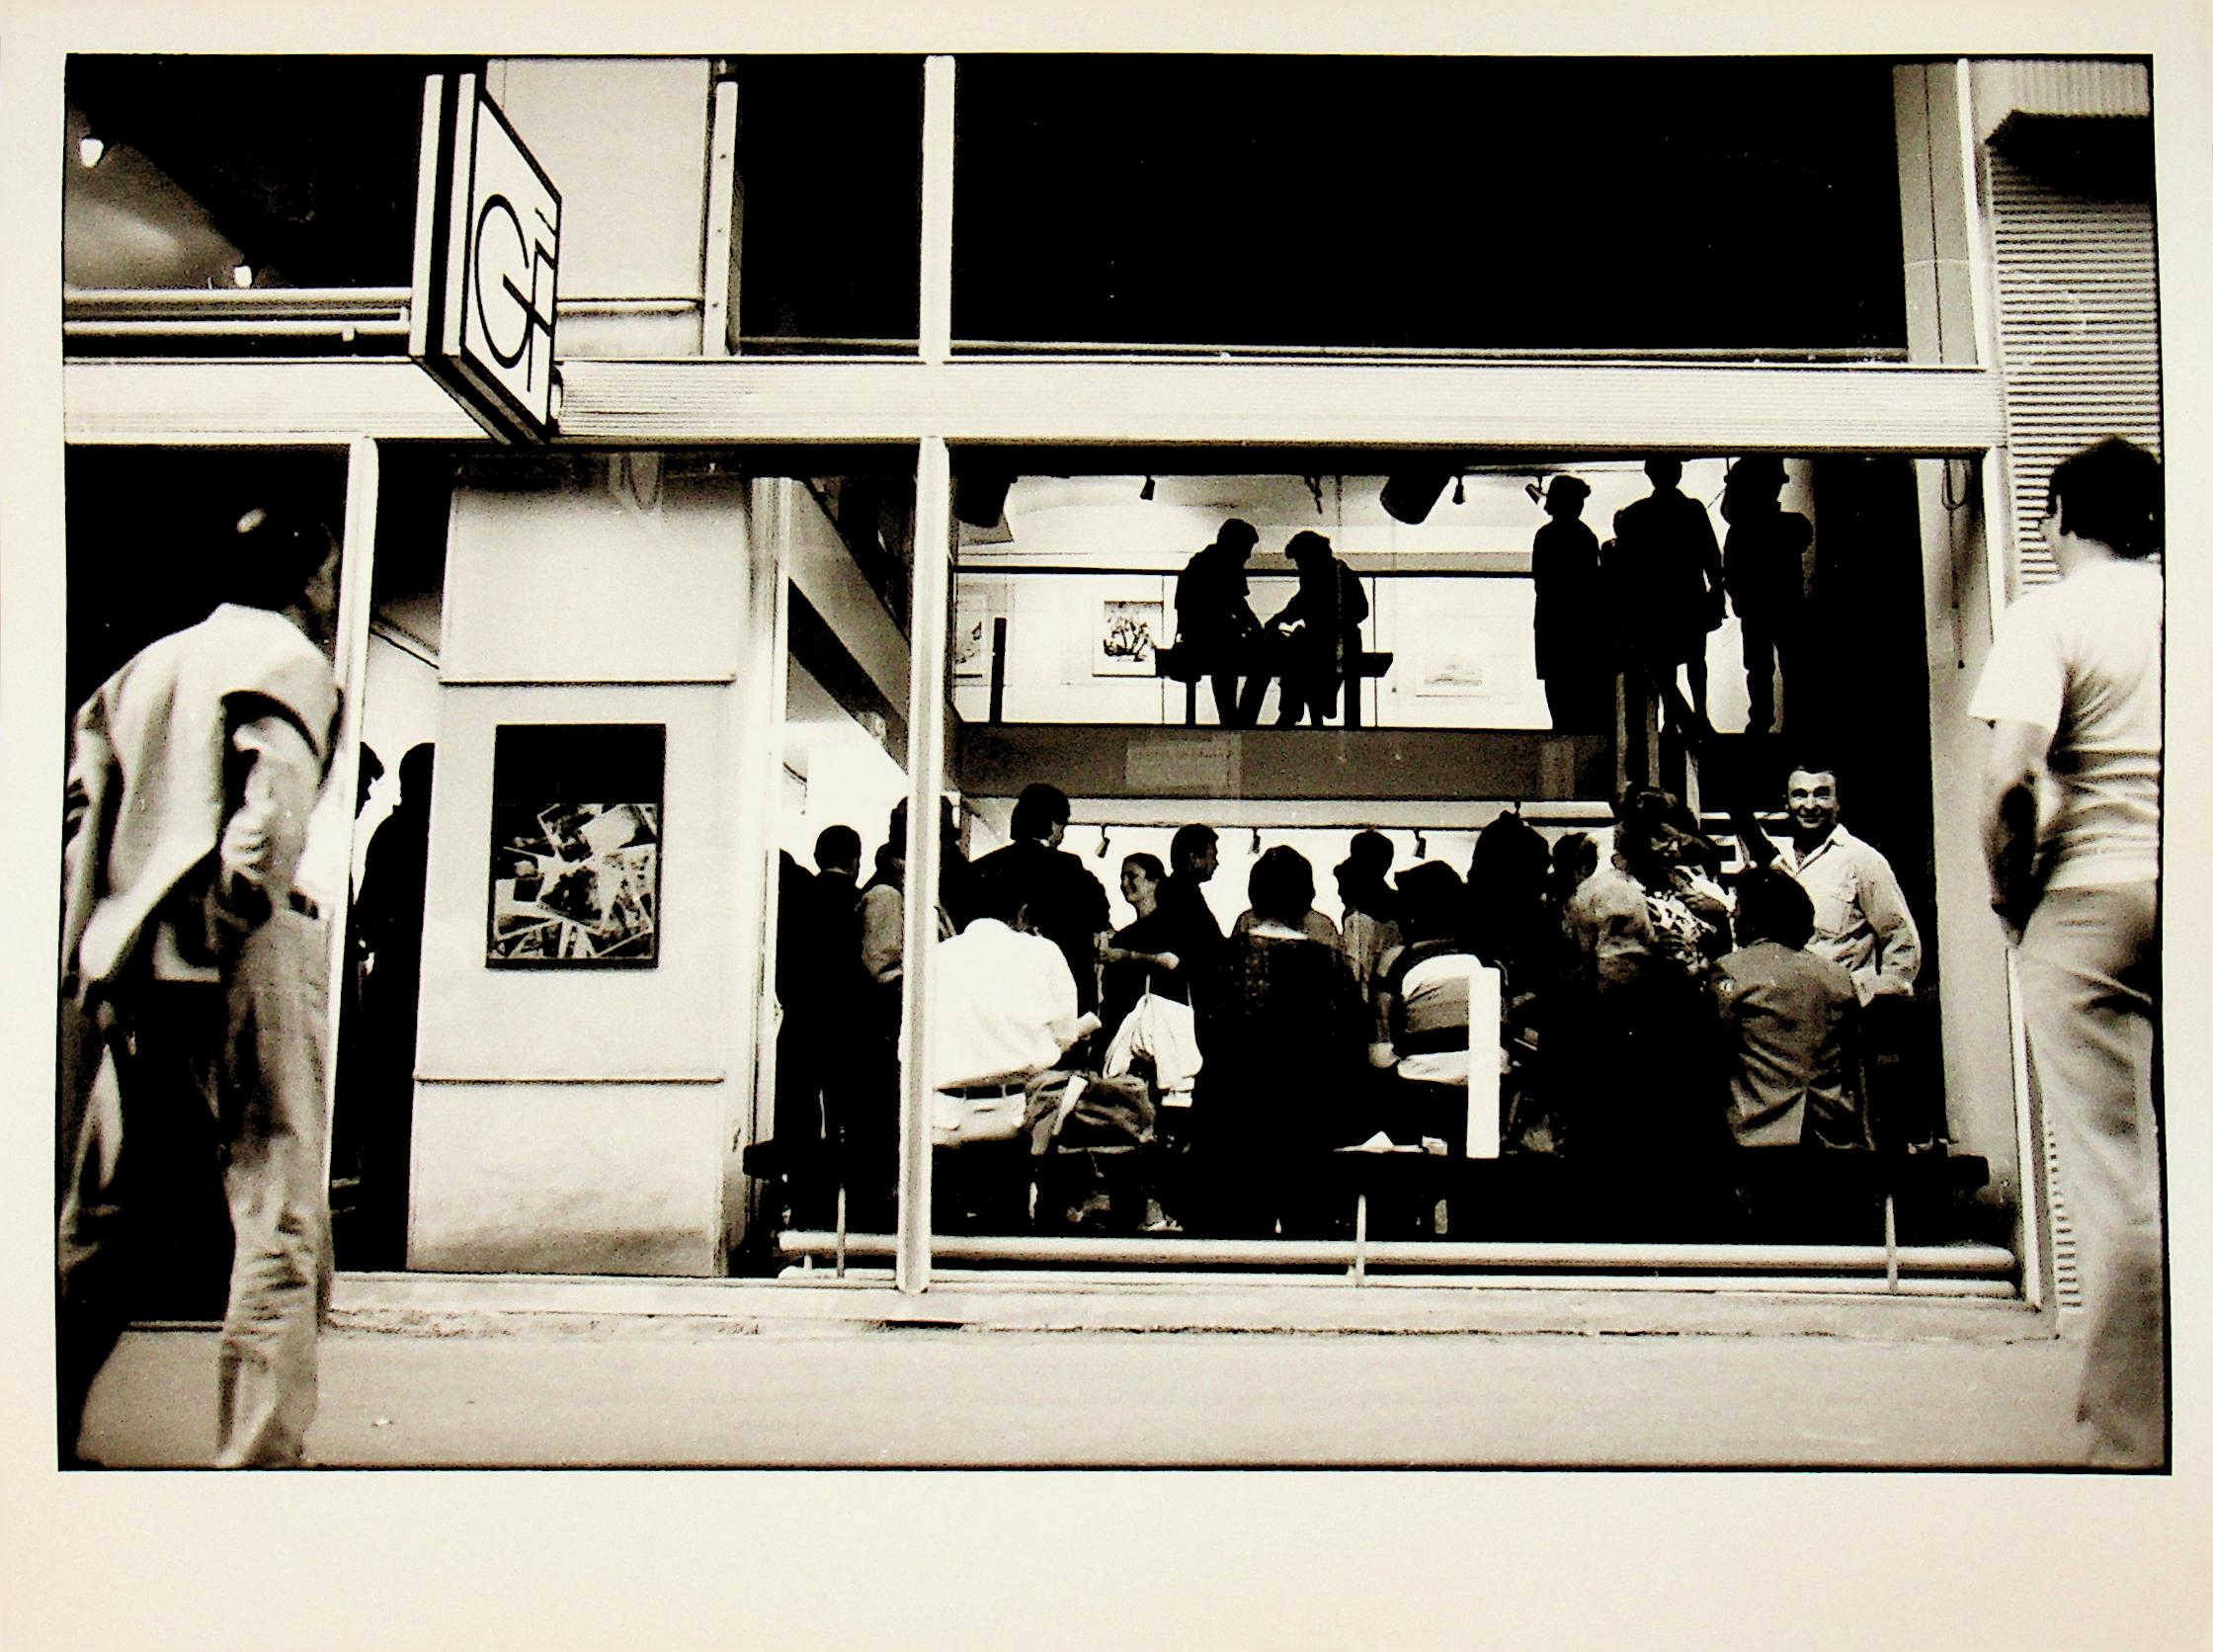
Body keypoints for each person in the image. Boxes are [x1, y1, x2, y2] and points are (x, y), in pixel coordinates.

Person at [57, 502, 345, 1467]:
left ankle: (44, 1425)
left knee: (105, 1214)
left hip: (130, 960)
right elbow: (270, 817)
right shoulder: (285, 659)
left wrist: (92, 954)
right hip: (238, 954)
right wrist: (226, 919)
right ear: (311, 579)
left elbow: (82, 826)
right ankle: (256, 1453)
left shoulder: (143, 669)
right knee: (276, 1203)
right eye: (329, 574)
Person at [1970, 436, 2164, 1466]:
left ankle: (2134, 1444)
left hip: (2089, 900)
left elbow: (2011, 781)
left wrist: (2010, 898)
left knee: (2115, 1175)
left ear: (2056, 518)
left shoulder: (2049, 615)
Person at [1560, 785, 1734, 1236]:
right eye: (1660, 838)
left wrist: (1717, 927)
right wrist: (1665, 965)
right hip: (1630, 1047)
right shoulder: (1604, 894)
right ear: (1633, 837)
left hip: (1693, 1044)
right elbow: (1601, 979)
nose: (1672, 848)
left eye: (1676, 838)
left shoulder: (1692, 886)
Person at [1192, 846, 1367, 1236]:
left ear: (1253, 895)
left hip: (1229, 1119)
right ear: (1308, 899)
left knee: (1234, 1241)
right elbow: (1350, 1051)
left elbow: (1206, 1037)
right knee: (1306, 1242)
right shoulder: (1332, 966)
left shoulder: (1216, 959)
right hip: (1306, 1121)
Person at [929, 867, 1100, 1233]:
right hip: (1010, 1115)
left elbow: (908, 1045)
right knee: (1005, 1236)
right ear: (1021, 912)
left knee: (941, 1239)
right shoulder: (1041, 953)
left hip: (942, 1118)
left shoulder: (934, 958)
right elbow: (1064, 1035)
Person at [350, 740, 435, 1269]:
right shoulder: (414, 834)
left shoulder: (393, 833)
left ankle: (380, 1221)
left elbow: (369, 915)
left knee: (387, 1111)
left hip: (396, 985)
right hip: (407, 986)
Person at [968, 784, 1111, 1016]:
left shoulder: (983, 869)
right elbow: (1099, 913)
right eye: (1063, 825)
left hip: (998, 992)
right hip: (1057, 994)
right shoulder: (1070, 869)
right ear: (1054, 824)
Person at [1608, 457, 1725, 731]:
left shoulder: (1636, 513)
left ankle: (1672, 720)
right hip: (1689, 595)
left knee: (1664, 662)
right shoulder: (1692, 509)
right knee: (1695, 659)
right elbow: (1710, 552)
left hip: (1655, 601)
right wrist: (1716, 586)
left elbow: (1627, 566)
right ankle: (1699, 715)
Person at [1720, 455, 1813, 737]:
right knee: (1789, 665)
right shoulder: (1791, 526)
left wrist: (1739, 598)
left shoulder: (1741, 532)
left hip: (1756, 608)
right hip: (1785, 605)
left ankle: (1762, 719)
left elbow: (1731, 570)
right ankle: (1793, 721)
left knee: (1760, 667)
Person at [1529, 474, 1613, 732]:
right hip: (1580, 627)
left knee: (1558, 692)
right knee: (1579, 691)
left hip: (1552, 623)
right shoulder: (1585, 536)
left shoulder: (1545, 536)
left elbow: (1541, 581)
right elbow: (1591, 584)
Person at [1173, 517, 1270, 727]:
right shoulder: (1227, 564)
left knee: (1227, 676)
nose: (1248, 555)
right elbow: (1238, 606)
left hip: (1199, 639)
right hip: (1216, 641)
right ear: (1236, 544)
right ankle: (1242, 723)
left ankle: (1233, 721)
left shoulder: (1200, 561)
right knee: (1262, 664)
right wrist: (1258, 631)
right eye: (1247, 548)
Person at [1267, 531, 1369, 728]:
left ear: (1309, 557)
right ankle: (1301, 712)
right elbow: (1301, 602)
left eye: (1300, 561)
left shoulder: (1324, 575)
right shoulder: (1336, 572)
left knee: (1299, 661)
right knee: (1305, 673)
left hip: (1333, 643)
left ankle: (1292, 712)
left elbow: (1302, 603)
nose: (1299, 567)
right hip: (1335, 641)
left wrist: (1280, 619)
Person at [1098, 852, 1187, 1045]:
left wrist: (1126, 957)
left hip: (1158, 1030)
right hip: (1126, 1031)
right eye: (1122, 877)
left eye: (1132, 876)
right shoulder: (1124, 935)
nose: (1124, 883)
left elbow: (1174, 963)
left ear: (1154, 882)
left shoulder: (1172, 927)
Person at [1333, 829, 1402, 1010]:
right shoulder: (1399, 903)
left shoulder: (1358, 917)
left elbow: (1357, 972)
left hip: (1368, 1000)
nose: (1339, 893)